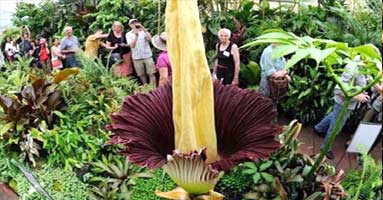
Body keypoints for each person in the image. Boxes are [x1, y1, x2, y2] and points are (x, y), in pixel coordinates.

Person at [314, 55, 381, 160]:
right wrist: (358, 96)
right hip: (343, 103)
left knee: (334, 115)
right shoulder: (352, 68)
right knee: (336, 127)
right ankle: (325, 148)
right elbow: (338, 90)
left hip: (349, 104)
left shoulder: (364, 67)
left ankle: (319, 128)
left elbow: (370, 80)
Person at [126, 19, 157, 85]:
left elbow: (150, 39)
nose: (134, 24)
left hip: (147, 56)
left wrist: (143, 28)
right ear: (130, 25)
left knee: (151, 73)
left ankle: (154, 89)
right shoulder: (128, 34)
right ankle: (146, 88)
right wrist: (136, 36)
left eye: (136, 22)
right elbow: (132, 46)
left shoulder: (143, 32)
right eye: (132, 23)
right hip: (137, 57)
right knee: (141, 75)